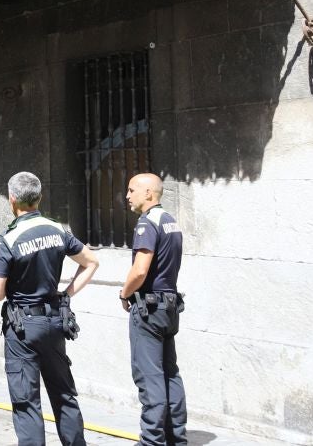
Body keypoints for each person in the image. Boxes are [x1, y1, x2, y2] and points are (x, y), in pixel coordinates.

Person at [0, 172, 100, 446]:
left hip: (23, 329)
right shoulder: (58, 229)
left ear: (12, 199)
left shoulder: (9, 239)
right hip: (54, 323)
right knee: (64, 395)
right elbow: (91, 262)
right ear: (40, 197)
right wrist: (66, 294)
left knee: (27, 402)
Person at [118, 172, 187, 446]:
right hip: (169, 307)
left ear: (149, 193)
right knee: (170, 374)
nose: (127, 195)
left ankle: (152, 440)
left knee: (150, 376)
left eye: (132, 189)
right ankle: (176, 438)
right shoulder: (171, 221)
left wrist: (125, 294)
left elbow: (141, 269)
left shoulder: (146, 224)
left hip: (149, 308)